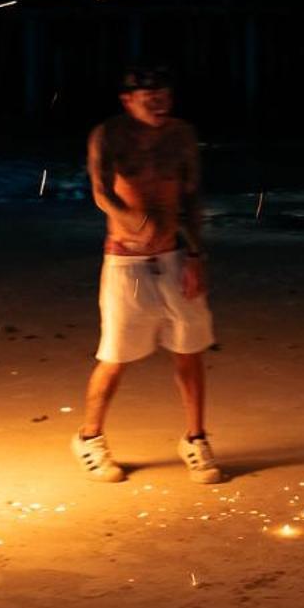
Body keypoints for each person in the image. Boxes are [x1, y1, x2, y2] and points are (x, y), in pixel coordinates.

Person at [71, 64, 224, 484]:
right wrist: (137, 225)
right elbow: (102, 193)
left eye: (164, 96)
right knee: (115, 356)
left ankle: (195, 439)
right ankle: (89, 437)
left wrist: (196, 255)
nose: (159, 103)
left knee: (189, 350)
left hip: (174, 257)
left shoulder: (182, 136)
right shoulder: (109, 135)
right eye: (148, 97)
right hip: (127, 263)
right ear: (127, 100)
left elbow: (191, 197)